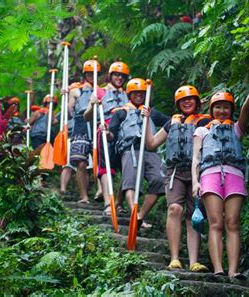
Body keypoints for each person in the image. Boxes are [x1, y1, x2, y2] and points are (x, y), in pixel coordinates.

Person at [191, 61, 249, 279]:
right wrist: (195, 182)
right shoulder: (202, 131)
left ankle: (234, 271)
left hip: (234, 175)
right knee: (216, 222)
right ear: (211, 109)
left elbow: (247, 108)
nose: (222, 110)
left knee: (232, 222)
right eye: (218, 107)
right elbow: (195, 157)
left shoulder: (237, 128)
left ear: (230, 110)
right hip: (210, 175)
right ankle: (218, 269)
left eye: (225, 107)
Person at [143, 85, 210, 272]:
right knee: (174, 209)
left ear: (197, 102)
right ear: (177, 104)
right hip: (175, 173)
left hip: (198, 172)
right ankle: (174, 258)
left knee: (193, 215)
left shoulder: (206, 121)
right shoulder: (171, 122)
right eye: (183, 100)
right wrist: (146, 120)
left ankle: (194, 261)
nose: (187, 102)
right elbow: (151, 144)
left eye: (191, 99)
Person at [104, 78, 169, 228]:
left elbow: (171, 123)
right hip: (130, 150)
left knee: (160, 180)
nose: (139, 95)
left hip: (150, 151)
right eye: (135, 93)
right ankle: (135, 216)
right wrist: (106, 133)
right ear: (129, 94)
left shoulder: (152, 113)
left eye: (142, 93)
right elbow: (112, 135)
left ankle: (140, 216)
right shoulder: (121, 113)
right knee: (130, 184)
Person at [85, 61, 130, 216]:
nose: (119, 78)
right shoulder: (100, 92)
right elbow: (86, 117)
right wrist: (92, 105)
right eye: (116, 75)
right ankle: (107, 203)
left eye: (122, 76)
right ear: (110, 75)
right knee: (106, 169)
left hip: (125, 132)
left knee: (126, 168)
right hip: (106, 129)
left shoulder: (128, 94)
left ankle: (118, 202)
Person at [67, 60, 105, 203]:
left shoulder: (103, 91)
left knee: (99, 160)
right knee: (81, 163)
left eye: (94, 74)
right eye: (89, 73)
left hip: (97, 126)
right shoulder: (76, 91)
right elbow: (70, 112)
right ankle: (84, 196)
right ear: (85, 74)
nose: (92, 76)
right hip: (81, 127)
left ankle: (101, 190)